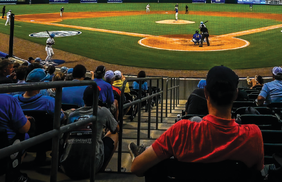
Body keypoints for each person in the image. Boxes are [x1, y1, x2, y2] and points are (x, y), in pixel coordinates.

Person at [129, 65, 264, 176]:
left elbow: (136, 168)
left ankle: (144, 150)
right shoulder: (253, 135)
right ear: (235, 95)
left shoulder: (181, 131)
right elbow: (257, 172)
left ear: (205, 93)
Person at [62, 85, 119, 177]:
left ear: (83, 99)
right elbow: (116, 128)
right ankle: (101, 169)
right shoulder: (102, 111)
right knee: (114, 134)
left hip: (67, 166)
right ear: (97, 99)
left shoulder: (72, 114)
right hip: (90, 167)